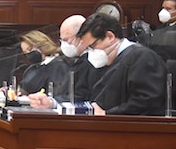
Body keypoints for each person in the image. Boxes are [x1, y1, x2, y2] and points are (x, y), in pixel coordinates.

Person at [31, 13, 167, 115]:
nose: (91, 52)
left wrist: (108, 114)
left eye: (92, 46)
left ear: (110, 36)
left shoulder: (142, 57)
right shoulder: (111, 61)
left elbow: (147, 102)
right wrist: (53, 103)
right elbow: (91, 99)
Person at [57, 14, 98, 102]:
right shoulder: (75, 61)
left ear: (80, 36)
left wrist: (53, 102)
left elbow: (80, 95)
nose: (64, 44)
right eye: (61, 40)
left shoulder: (93, 61)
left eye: (66, 40)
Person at [16, 30, 69, 97]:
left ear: (41, 44)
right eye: (25, 52)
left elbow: (57, 93)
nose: (28, 54)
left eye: (30, 49)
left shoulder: (59, 65)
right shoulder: (31, 69)